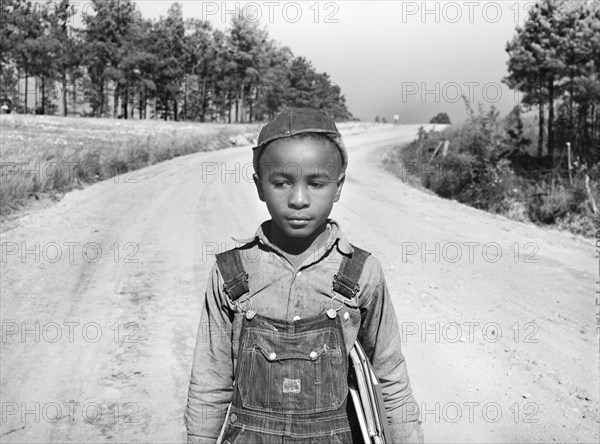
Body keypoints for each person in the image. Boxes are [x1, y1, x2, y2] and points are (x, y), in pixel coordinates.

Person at [184, 108, 423, 443]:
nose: (298, 199)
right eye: (281, 183)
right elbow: (210, 383)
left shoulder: (361, 272)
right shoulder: (231, 273)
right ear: (259, 186)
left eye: (316, 183)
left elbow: (391, 377)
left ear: (338, 187)